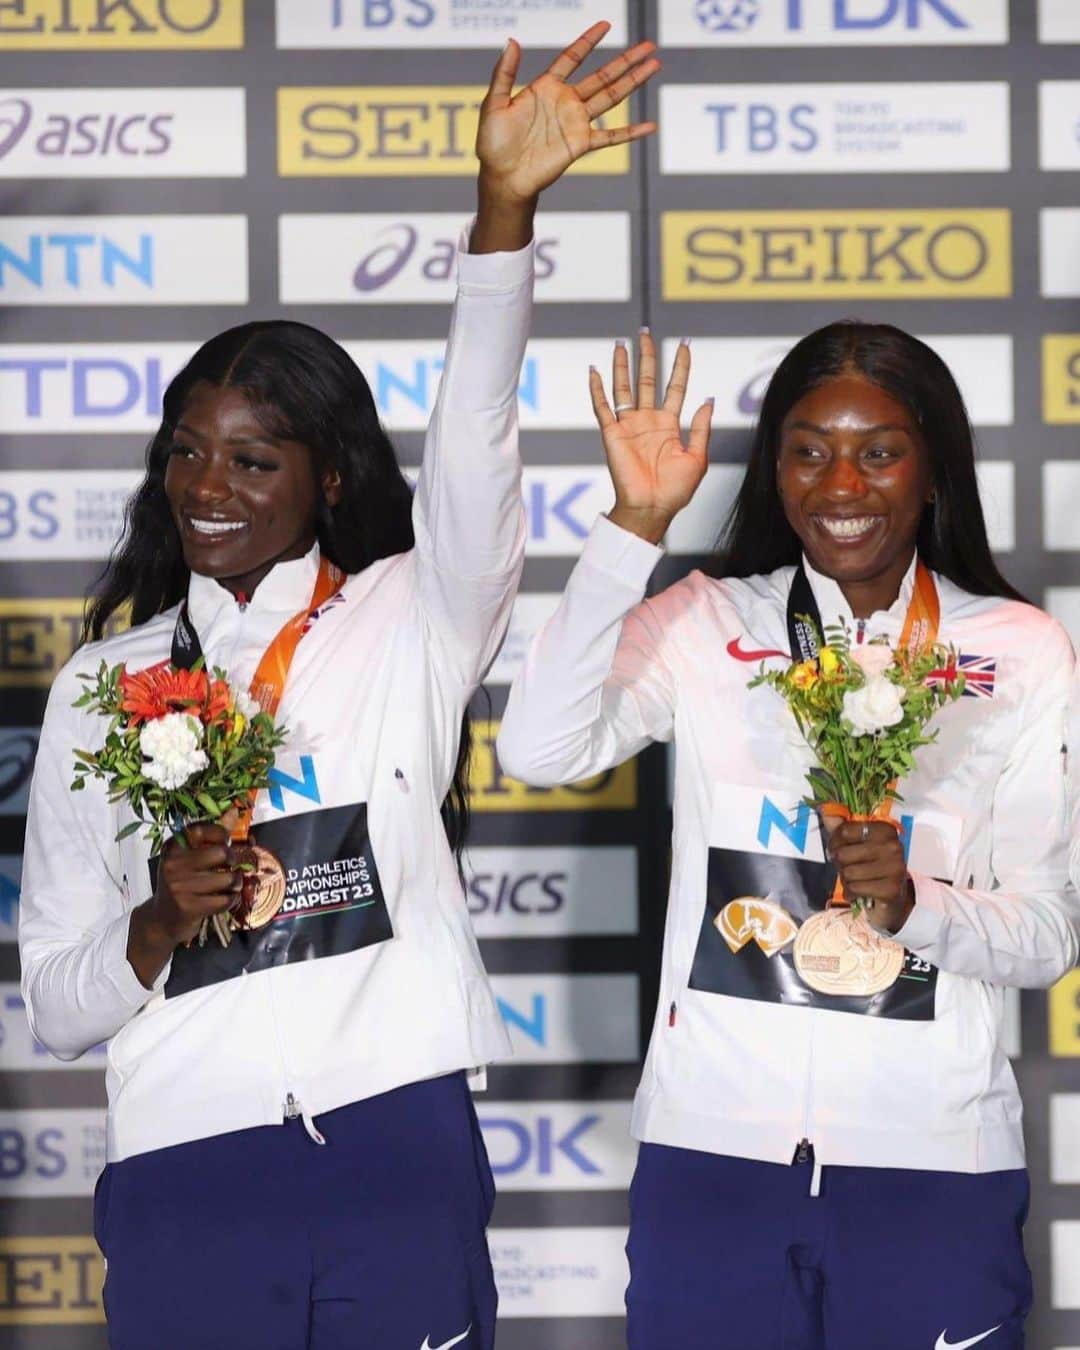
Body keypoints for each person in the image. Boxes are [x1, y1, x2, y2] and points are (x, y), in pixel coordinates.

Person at [17, 26, 659, 1350]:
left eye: (255, 460)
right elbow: (62, 1006)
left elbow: (474, 447)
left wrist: (503, 213)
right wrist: (154, 925)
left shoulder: (412, 614)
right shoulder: (104, 685)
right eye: (190, 453)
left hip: (392, 1143)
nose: (209, 486)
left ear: (332, 477)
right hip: (183, 1166)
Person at [497, 327, 1080, 1350]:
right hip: (711, 1165)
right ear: (774, 469)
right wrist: (632, 527)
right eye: (809, 449)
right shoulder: (703, 619)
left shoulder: (1019, 651)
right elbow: (542, 748)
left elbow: (1046, 932)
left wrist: (915, 907)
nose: (840, 482)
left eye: (879, 450)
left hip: (932, 1169)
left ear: (934, 466)